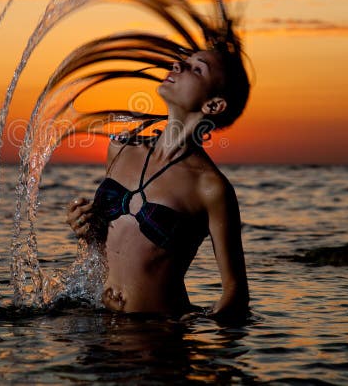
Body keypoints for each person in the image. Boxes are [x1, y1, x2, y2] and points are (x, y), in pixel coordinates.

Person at [66, 43, 250, 321]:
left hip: (158, 340)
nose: (178, 66)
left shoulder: (210, 187)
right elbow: (109, 246)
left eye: (196, 69)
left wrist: (201, 321)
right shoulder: (121, 148)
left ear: (213, 104)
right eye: (183, 61)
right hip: (100, 328)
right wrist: (85, 229)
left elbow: (235, 293)